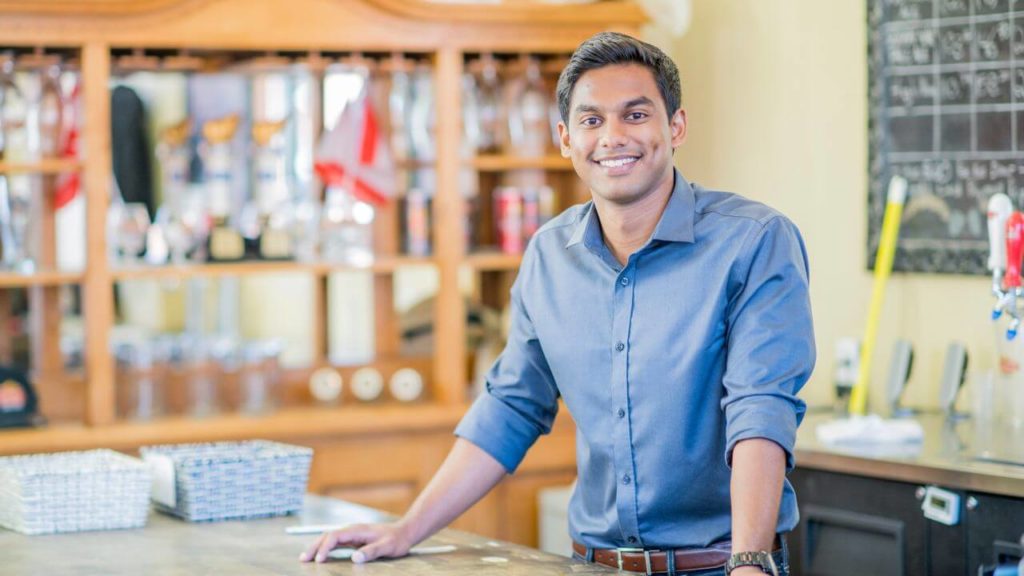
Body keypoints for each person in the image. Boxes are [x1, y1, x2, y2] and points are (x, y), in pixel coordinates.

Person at [300, 31, 814, 576]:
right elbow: (511, 406)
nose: (613, 137)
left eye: (636, 115)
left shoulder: (754, 242)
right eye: (592, 120)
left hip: (720, 566)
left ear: (676, 127)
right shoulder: (549, 255)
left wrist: (749, 561)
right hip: (591, 564)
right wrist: (406, 529)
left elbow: (759, 410)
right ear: (566, 138)